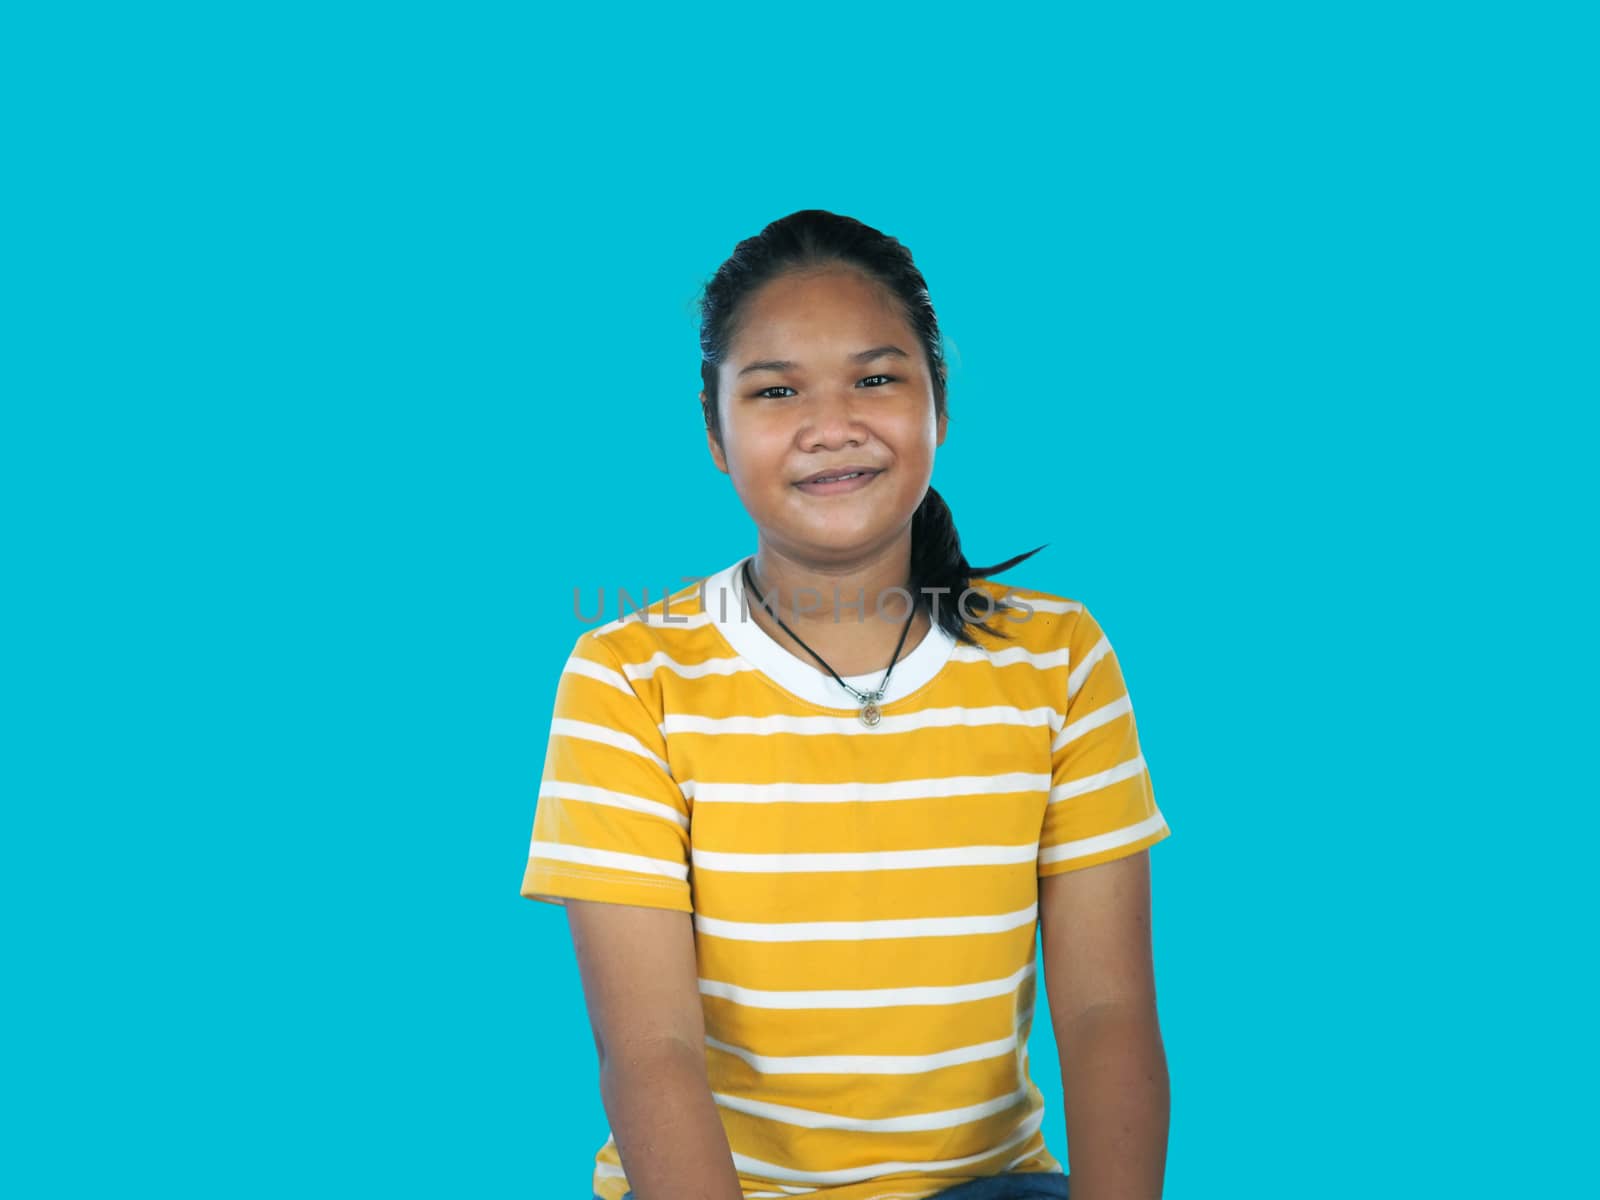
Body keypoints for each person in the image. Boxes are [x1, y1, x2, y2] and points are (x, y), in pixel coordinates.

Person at [520, 210, 1172, 1200]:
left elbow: (1106, 1011)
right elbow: (650, 1052)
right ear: (714, 433)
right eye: (777, 391)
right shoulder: (628, 678)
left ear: (937, 406)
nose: (834, 426)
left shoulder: (1058, 656)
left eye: (876, 378)